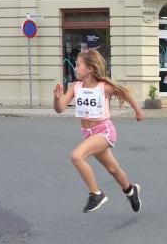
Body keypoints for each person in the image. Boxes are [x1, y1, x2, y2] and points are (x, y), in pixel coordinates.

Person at [52, 49, 144, 213]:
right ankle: (131, 190)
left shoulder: (104, 87)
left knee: (77, 156)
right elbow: (59, 109)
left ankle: (96, 194)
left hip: (104, 132)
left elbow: (125, 93)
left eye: (78, 65)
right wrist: (57, 99)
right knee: (113, 169)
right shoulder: (75, 87)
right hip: (89, 134)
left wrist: (138, 111)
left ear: (90, 68)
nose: (75, 68)